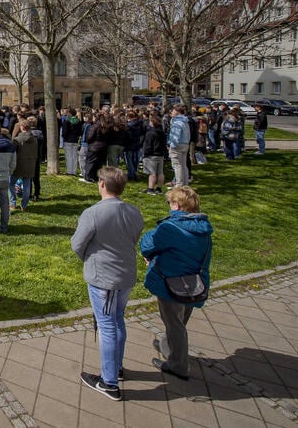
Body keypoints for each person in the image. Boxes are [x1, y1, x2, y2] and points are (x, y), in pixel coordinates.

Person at [71, 166, 145, 401]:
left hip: (106, 278)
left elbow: (77, 244)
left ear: (102, 184)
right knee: (116, 319)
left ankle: (109, 381)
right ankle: (115, 367)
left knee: (107, 326)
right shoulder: (134, 211)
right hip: (125, 275)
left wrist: (91, 257)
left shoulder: (93, 213)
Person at [141, 186, 213, 381]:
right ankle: (170, 346)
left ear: (178, 205)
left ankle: (178, 365)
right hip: (194, 283)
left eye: (170, 203)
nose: (169, 206)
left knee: (174, 323)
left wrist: (152, 237)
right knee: (179, 321)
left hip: (171, 281)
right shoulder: (203, 228)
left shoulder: (170, 227)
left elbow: (146, 244)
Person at [10, 117, 39, 211]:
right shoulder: (34, 139)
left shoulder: (17, 140)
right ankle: (24, 205)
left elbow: (12, 152)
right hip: (30, 163)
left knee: (10, 183)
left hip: (19, 164)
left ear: (22, 127)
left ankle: (12, 203)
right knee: (27, 184)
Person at [142, 115, 167, 194]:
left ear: (152, 122)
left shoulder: (150, 133)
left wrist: (145, 154)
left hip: (151, 155)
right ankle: (159, 188)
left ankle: (151, 189)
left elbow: (148, 145)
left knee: (152, 173)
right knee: (160, 172)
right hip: (160, 154)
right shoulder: (162, 132)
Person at [167, 105, 191, 185]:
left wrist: (171, 145)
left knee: (177, 165)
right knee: (183, 165)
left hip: (177, 145)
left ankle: (179, 184)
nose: (172, 113)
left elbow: (175, 136)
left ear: (177, 112)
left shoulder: (177, 122)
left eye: (173, 111)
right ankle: (185, 183)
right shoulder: (185, 121)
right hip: (185, 144)